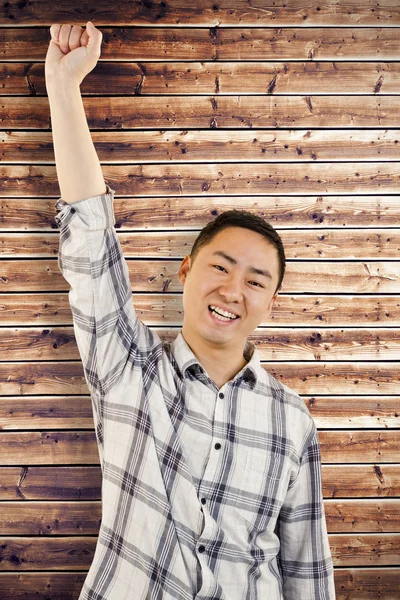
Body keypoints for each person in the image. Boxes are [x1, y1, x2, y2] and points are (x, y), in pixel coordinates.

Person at [46, 21, 336, 600]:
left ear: (270, 302)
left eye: (256, 281)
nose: (233, 290)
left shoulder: (292, 420)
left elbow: (308, 571)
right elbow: (91, 247)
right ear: (186, 271)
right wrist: (64, 88)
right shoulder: (130, 370)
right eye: (220, 267)